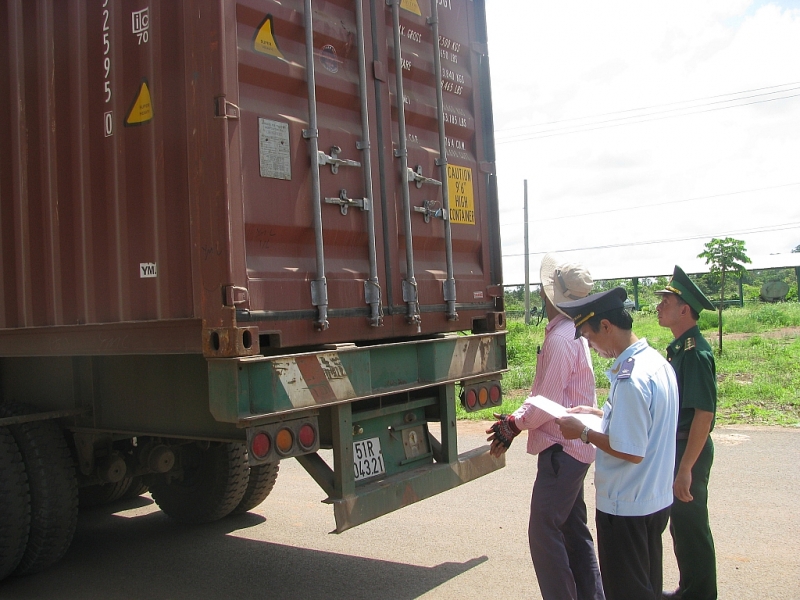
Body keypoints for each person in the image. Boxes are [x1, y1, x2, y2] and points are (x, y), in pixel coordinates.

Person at [486, 253, 604, 600]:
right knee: (572, 530)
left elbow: (546, 401)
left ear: (545, 294)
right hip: (575, 449)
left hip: (562, 450)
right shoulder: (573, 333)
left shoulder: (559, 339)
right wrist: (516, 422)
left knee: (543, 533)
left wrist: (514, 424)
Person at [555, 287, 678, 600]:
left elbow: (630, 450)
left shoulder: (631, 379)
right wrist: (596, 413)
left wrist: (582, 432)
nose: (592, 347)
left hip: (626, 509)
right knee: (645, 587)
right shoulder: (656, 364)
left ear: (606, 326)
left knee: (627, 592)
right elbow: (643, 422)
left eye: (590, 337)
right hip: (652, 500)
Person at [655, 266, 718, 600]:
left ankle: (701, 594)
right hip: (679, 448)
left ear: (684, 309)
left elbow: (703, 415)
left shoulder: (694, 353)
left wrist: (685, 469)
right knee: (682, 525)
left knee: (691, 526)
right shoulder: (680, 348)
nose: (659, 305)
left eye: (667, 299)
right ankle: (690, 589)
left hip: (688, 450)